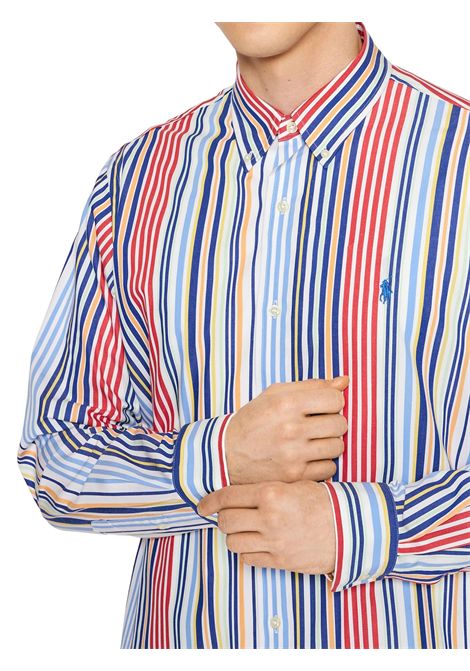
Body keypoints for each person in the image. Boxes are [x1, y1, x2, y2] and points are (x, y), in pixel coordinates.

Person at [17, 21, 470, 649]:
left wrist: (363, 530)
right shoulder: (136, 181)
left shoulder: (458, 156)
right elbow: (55, 457)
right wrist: (215, 457)